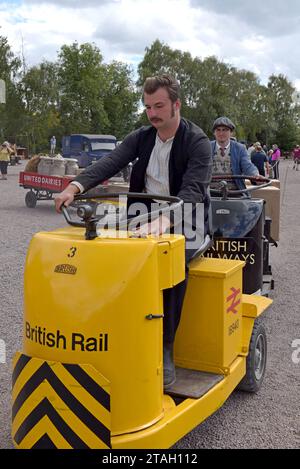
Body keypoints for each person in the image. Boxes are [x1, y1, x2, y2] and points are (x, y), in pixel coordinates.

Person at [55, 74, 212, 388]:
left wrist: (168, 221)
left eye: (159, 106)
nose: (152, 113)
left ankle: (165, 347)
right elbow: (112, 160)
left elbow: (193, 190)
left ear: (176, 105)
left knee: (170, 260)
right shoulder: (142, 136)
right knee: (105, 251)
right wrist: (76, 184)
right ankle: (113, 331)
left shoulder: (197, 142)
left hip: (187, 217)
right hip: (143, 214)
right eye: (147, 107)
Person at [210, 117, 261, 190]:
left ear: (231, 133)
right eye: (218, 130)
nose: (221, 133)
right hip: (210, 193)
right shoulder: (207, 147)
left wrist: (255, 175)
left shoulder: (240, 149)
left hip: (235, 193)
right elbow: (199, 167)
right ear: (214, 132)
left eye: (225, 130)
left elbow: (247, 166)